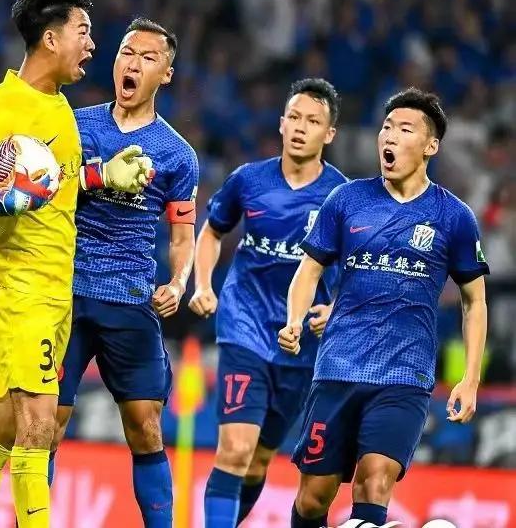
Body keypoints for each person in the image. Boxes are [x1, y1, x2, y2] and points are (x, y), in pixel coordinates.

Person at [0, 0, 150, 528]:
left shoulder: (59, 108)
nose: (92, 44)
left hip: (54, 285)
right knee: (39, 426)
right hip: (19, 284)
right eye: (83, 31)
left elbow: (46, 184)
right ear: (50, 38)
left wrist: (102, 176)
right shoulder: (4, 106)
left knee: (6, 423)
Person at [278, 88, 489, 527]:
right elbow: (309, 270)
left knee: (374, 483)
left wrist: (470, 379)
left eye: (405, 129)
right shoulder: (347, 200)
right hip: (338, 368)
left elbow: (475, 300)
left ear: (430, 146)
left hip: (404, 376)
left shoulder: (454, 217)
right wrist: (294, 320)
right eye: (387, 127)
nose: (390, 136)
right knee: (313, 499)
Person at [51, 18, 197, 528]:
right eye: (126, 53)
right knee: (46, 425)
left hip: (129, 297)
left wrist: (177, 281)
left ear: (166, 74)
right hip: (66, 292)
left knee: (145, 427)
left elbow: (182, 235)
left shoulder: (178, 154)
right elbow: (44, 187)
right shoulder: (75, 124)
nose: (133, 63)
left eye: (147, 57)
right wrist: (95, 176)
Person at [189, 78, 347, 527]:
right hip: (245, 327)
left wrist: (335, 308)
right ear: (280, 123)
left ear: (329, 134)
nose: (300, 127)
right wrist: (203, 284)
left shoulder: (342, 197)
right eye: (294, 117)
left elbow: (357, 270)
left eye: (312, 121)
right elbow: (212, 231)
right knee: (234, 450)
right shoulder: (248, 180)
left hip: (300, 345)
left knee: (259, 461)